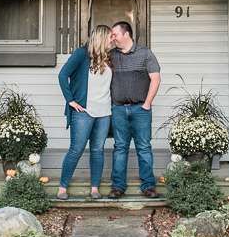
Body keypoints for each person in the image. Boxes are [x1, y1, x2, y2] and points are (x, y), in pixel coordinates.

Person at [56, 25, 114, 200]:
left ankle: (95, 188)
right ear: (102, 38)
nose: (112, 40)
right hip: (83, 111)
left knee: (97, 150)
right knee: (76, 149)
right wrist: (70, 100)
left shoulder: (109, 58)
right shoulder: (81, 54)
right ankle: (62, 188)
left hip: (104, 112)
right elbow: (62, 75)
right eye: (110, 37)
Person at [107, 20, 161, 198]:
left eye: (115, 35)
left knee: (144, 147)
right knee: (120, 147)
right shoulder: (111, 55)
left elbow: (156, 79)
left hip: (140, 109)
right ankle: (118, 186)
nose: (113, 38)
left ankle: (148, 186)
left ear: (126, 34)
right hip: (119, 109)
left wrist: (147, 104)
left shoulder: (145, 53)